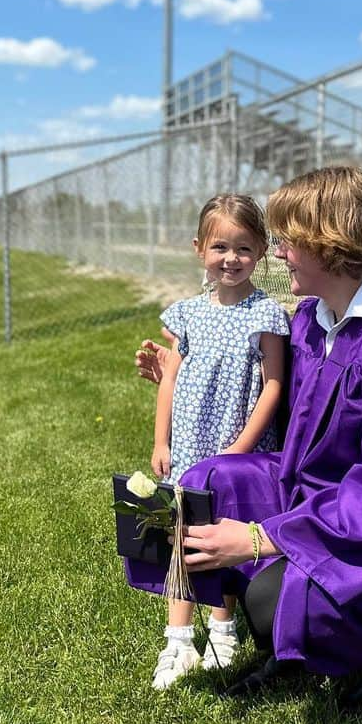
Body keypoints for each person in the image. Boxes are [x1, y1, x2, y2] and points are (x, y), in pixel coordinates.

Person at [133, 166, 362, 706]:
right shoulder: (313, 321)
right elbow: (280, 414)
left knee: (281, 599)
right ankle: (273, 633)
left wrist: (257, 540)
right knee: (206, 483)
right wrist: (175, 374)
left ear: (330, 243)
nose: (278, 253)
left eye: (289, 241)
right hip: (311, 495)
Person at [132, 193, 290, 690]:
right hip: (191, 444)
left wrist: (240, 450)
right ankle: (177, 641)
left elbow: (273, 385)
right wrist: (163, 441)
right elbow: (170, 380)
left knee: (218, 534)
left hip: (235, 448)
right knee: (182, 534)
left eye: (244, 248)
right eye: (220, 246)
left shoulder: (265, 315)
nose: (231, 258)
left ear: (261, 251)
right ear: (200, 249)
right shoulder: (187, 314)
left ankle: (223, 631)